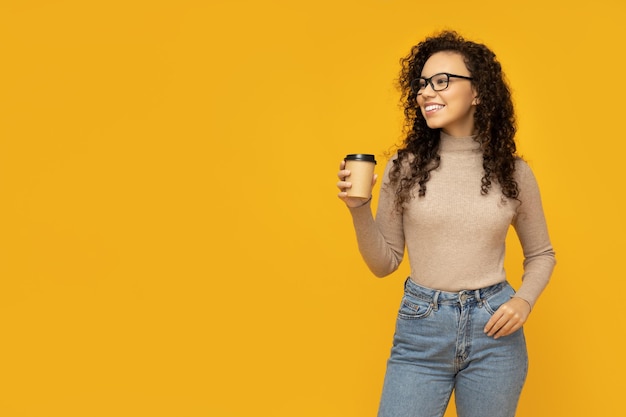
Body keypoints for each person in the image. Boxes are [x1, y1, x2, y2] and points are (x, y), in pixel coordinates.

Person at [336, 31, 556, 417]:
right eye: (421, 84)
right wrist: (359, 208)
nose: (426, 92)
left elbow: (541, 254)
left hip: (495, 333)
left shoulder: (514, 173)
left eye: (442, 81)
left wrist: (523, 301)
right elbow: (384, 264)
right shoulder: (402, 169)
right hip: (421, 330)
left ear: (478, 92)